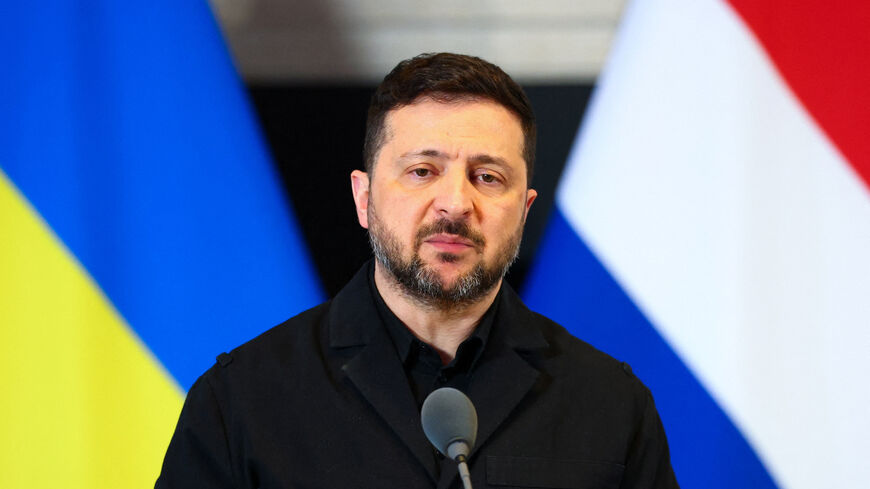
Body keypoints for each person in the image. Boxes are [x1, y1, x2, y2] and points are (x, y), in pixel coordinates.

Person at [155, 52, 679, 489]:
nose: (455, 202)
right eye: (423, 171)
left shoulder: (611, 405)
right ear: (364, 199)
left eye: (488, 177)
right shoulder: (241, 400)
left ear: (524, 211)